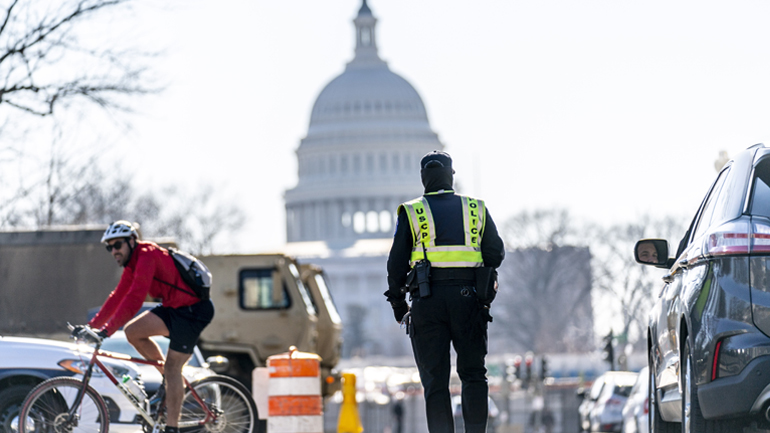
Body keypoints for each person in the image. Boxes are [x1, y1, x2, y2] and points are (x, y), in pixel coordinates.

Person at [385, 150, 505, 433]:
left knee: (435, 383)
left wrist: (399, 306)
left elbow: (396, 264)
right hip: (469, 299)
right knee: (474, 375)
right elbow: (495, 253)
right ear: (452, 176)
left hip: (427, 301)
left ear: (423, 178)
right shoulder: (475, 208)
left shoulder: (412, 211)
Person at [79, 221, 215, 433]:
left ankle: (172, 427)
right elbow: (117, 297)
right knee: (133, 332)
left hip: (193, 311)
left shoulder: (147, 256)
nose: (114, 251)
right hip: (173, 307)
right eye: (110, 247)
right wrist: (90, 326)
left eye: (117, 245)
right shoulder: (132, 264)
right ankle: (168, 380)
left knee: (173, 367)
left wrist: (106, 331)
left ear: (132, 241)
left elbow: (134, 299)